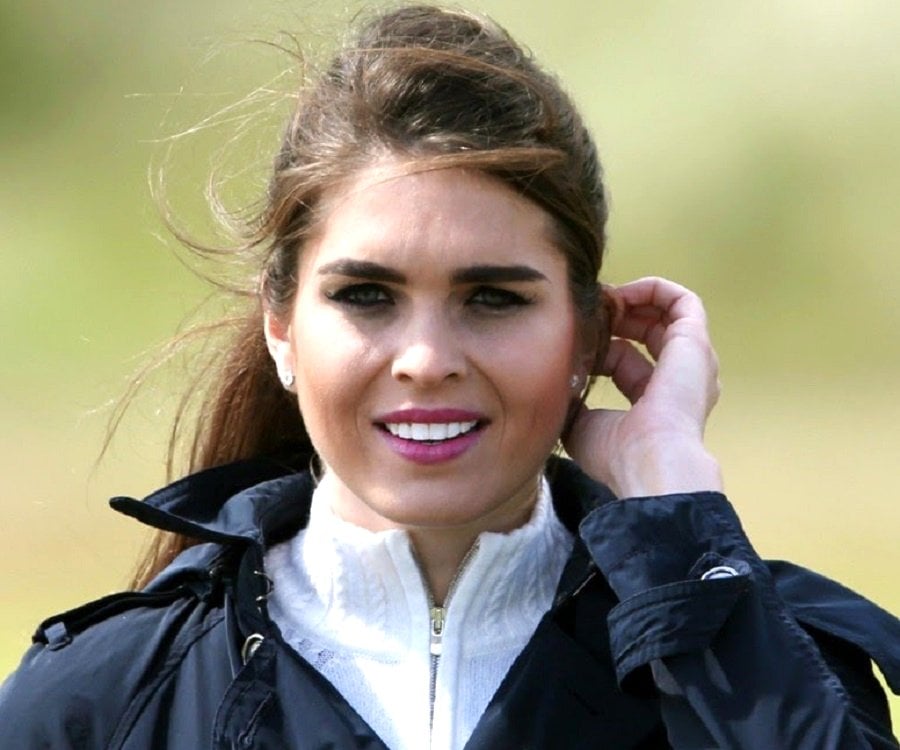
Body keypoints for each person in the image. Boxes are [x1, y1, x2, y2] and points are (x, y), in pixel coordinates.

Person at [1, 4, 898, 748]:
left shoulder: (755, 655)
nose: (427, 360)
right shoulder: (99, 702)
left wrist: (675, 507)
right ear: (281, 328)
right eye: (365, 295)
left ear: (586, 338)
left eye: (493, 299)